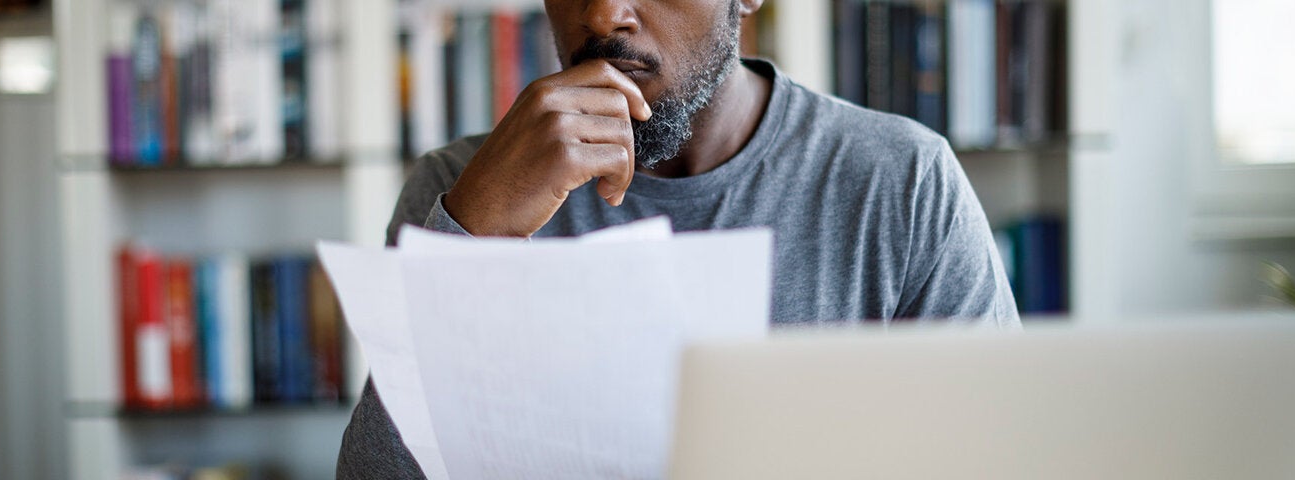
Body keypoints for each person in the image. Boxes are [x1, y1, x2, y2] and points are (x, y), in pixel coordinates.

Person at [338, 0, 1019, 477]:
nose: (604, 15)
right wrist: (473, 238)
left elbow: (999, 455)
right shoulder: (462, 186)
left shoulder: (900, 183)